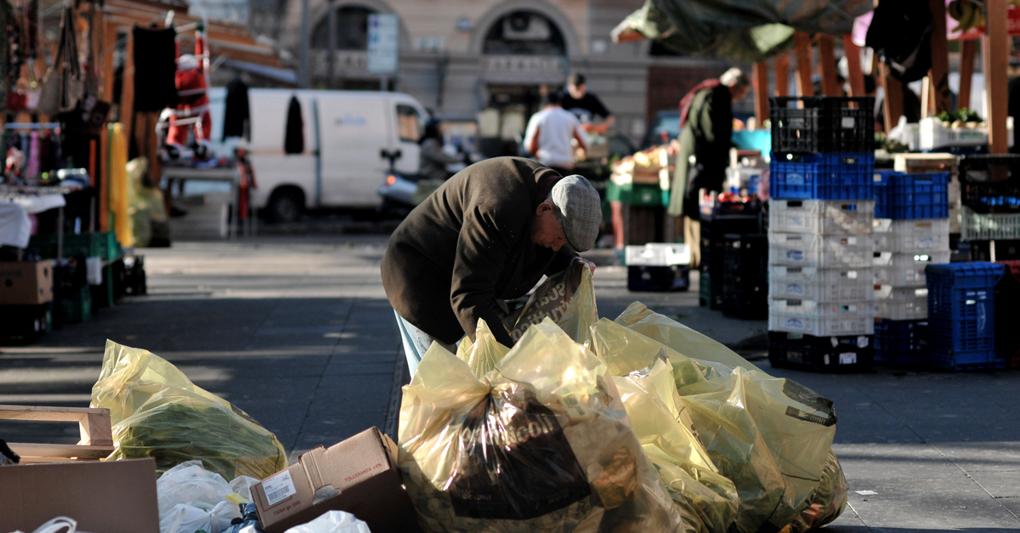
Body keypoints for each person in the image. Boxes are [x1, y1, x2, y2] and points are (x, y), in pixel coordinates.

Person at [381, 157, 602, 375]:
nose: (557, 248)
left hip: (464, 278)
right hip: (419, 276)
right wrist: (510, 361)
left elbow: (553, 240)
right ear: (544, 209)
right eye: (560, 239)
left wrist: (574, 267)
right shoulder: (496, 207)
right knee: (440, 388)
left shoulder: (549, 195)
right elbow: (469, 296)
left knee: (470, 385)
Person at [669, 67, 750, 267]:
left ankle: (693, 256)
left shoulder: (707, 91)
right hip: (702, 159)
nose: (740, 98)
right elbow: (713, 133)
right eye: (741, 93)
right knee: (699, 206)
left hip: (695, 156)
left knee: (692, 206)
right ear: (734, 85)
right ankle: (698, 256)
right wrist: (733, 147)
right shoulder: (718, 94)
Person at [523, 90, 587, 173]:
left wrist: (538, 154)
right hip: (566, 164)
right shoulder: (570, 117)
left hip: (544, 164)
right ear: (559, 103)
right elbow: (583, 142)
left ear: (544, 104)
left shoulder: (538, 117)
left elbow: (530, 147)